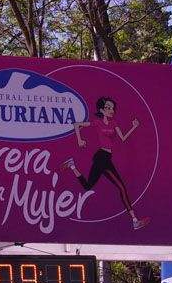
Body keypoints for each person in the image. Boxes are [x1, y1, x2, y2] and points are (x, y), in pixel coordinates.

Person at [62, 96, 149, 230]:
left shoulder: (114, 123)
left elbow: (123, 138)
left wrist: (134, 127)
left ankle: (72, 165)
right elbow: (76, 124)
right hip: (102, 157)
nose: (111, 110)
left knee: (87, 186)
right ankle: (134, 220)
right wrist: (79, 140)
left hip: (106, 157)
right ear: (102, 110)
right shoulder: (97, 122)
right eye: (108, 108)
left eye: (112, 108)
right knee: (121, 187)